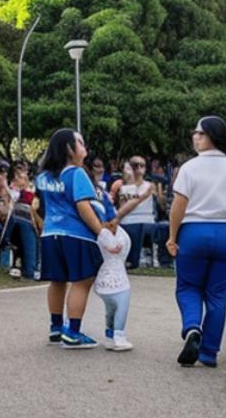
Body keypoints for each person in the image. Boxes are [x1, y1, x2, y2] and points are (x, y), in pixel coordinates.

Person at [166, 116, 226, 368]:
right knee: (218, 295)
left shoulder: (189, 168)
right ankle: (209, 353)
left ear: (211, 136)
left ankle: (192, 328)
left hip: (194, 231)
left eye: (199, 133)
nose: (194, 137)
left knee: (187, 286)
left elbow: (179, 205)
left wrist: (172, 236)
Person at [35, 128, 104, 349]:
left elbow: (39, 207)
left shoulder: (43, 177)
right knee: (82, 281)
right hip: (77, 235)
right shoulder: (77, 173)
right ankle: (73, 332)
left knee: (57, 280)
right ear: (68, 148)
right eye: (80, 143)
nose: (85, 147)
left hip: (50, 233)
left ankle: (56, 327)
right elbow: (83, 206)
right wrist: (100, 232)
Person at [89, 170, 133, 351]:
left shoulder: (101, 232)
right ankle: (119, 336)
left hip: (105, 277)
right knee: (121, 304)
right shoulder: (105, 235)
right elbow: (115, 247)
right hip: (115, 278)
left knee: (111, 308)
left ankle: (110, 332)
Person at [116, 155, 157, 269]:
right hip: (128, 219)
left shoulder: (150, 185)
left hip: (146, 219)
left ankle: (145, 256)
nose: (139, 168)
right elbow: (123, 208)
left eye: (142, 165)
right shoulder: (123, 187)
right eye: (135, 165)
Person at [8, 162, 39, 279]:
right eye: (19, 174)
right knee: (27, 229)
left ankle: (35, 267)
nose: (22, 176)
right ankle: (29, 269)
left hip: (33, 219)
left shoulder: (32, 187)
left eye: (24, 172)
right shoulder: (11, 188)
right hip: (19, 218)